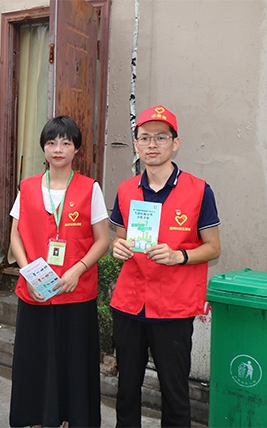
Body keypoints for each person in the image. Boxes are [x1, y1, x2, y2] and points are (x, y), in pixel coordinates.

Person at [110, 105, 221, 427]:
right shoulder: (126, 190)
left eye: (161, 137)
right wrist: (118, 247)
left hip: (173, 307)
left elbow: (214, 248)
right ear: (136, 144)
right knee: (126, 390)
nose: (152, 144)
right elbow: (120, 238)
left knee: (174, 394)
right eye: (145, 137)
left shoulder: (199, 190)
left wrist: (178, 256)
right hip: (130, 304)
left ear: (175, 142)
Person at [9, 116, 111, 428]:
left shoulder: (90, 189)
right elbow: (15, 236)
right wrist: (27, 273)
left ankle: (71, 418)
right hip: (36, 291)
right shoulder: (27, 187)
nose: (58, 149)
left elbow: (102, 240)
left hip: (75, 292)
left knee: (73, 362)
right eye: (52, 142)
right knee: (35, 359)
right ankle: (37, 418)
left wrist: (78, 269)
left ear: (76, 148)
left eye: (66, 143)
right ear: (43, 147)